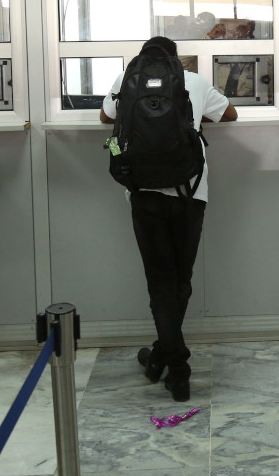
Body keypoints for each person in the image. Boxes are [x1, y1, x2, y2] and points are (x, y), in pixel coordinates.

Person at [100, 36, 237, 401]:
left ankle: (165, 356)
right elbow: (230, 114)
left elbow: (106, 120)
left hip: (141, 192)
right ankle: (177, 365)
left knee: (160, 280)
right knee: (181, 278)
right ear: (176, 59)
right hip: (190, 191)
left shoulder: (125, 80)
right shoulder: (193, 81)